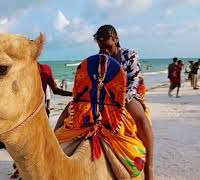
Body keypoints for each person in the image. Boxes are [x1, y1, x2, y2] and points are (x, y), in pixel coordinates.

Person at [55, 25, 154, 179]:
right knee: (70, 107)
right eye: (101, 47)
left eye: (107, 46)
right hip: (103, 97)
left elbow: (134, 80)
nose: (105, 50)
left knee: (140, 118)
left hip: (128, 93)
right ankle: (54, 143)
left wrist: (120, 98)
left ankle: (149, 167)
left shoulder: (129, 55)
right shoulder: (100, 58)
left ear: (116, 39)